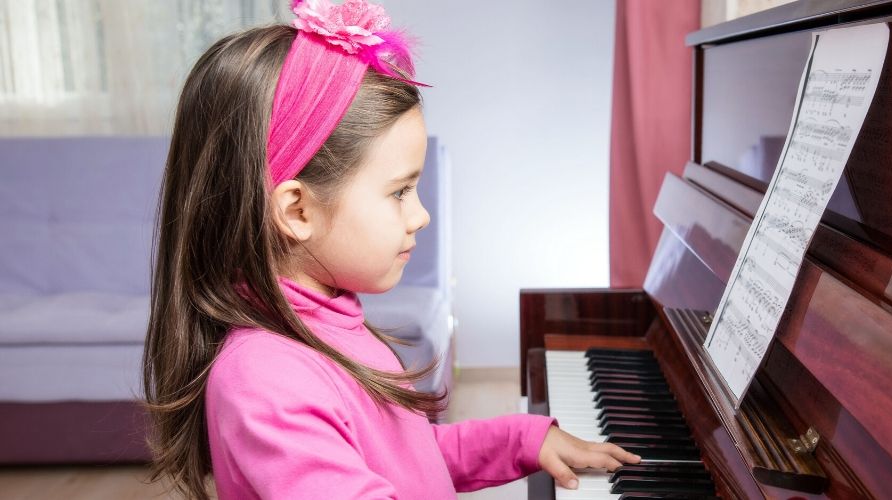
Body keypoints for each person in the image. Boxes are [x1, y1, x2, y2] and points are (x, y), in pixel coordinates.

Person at [142, 1, 638, 498]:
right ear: (297, 211)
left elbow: (410, 460)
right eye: (400, 191)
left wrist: (523, 440)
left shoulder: (330, 324)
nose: (420, 215)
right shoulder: (264, 378)